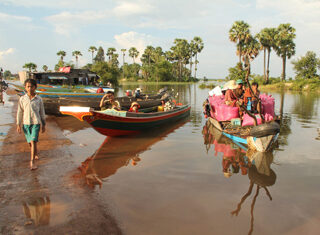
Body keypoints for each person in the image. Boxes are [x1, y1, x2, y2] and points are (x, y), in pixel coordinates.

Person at [16, 78, 46, 170]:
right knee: (30, 142)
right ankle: (35, 153)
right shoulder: (22, 99)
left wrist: (43, 124)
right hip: (26, 123)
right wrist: (18, 124)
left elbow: (42, 112)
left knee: (33, 141)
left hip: (36, 123)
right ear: (25, 87)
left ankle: (32, 161)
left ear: (35, 87)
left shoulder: (39, 99)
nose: (29, 88)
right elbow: (20, 112)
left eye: (31, 87)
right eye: (28, 87)